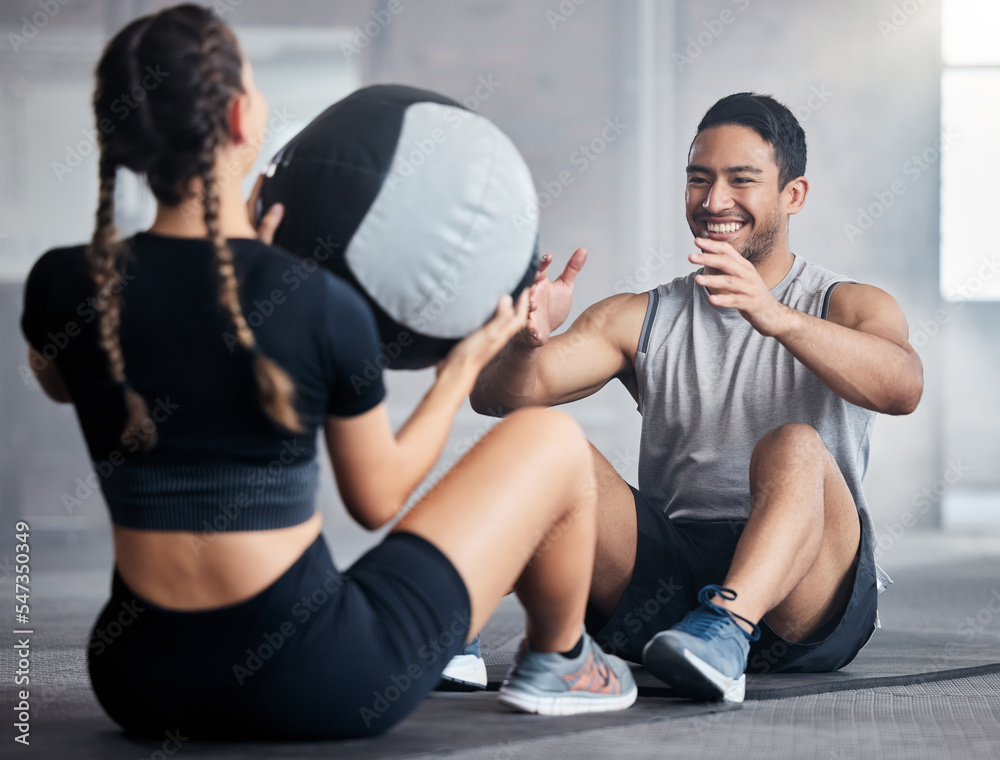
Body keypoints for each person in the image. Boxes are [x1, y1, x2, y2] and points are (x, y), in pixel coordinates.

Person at [19, 4, 637, 740]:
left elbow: (63, 379)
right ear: (244, 119)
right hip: (313, 680)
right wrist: (463, 364)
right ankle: (563, 659)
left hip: (137, 678)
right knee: (551, 440)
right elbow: (376, 498)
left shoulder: (64, 283)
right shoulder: (311, 300)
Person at [472, 92, 923, 704]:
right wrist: (524, 343)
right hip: (669, 589)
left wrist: (774, 316)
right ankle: (446, 622)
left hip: (806, 596)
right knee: (542, 444)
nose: (714, 202)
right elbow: (496, 397)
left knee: (794, 444)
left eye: (742, 180)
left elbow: (902, 389)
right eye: (698, 180)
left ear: (793, 195)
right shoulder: (640, 316)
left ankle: (727, 631)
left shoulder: (850, 304)